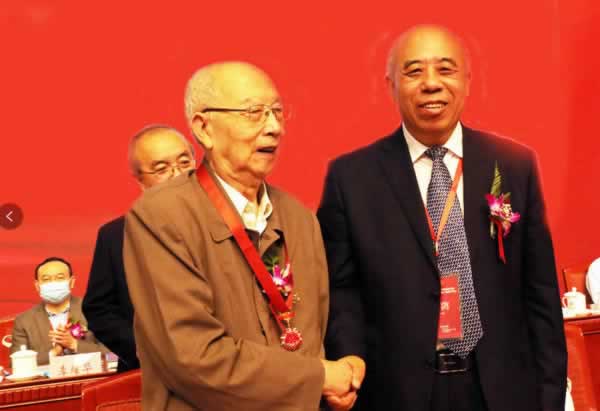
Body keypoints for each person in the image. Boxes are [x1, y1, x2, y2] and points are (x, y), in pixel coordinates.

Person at [317, 25, 566, 411]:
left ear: (467, 81)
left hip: (502, 390)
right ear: (391, 85)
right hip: (398, 393)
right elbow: (341, 292)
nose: (431, 84)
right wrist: (349, 372)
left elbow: (541, 294)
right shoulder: (350, 178)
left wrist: (549, 397)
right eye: (414, 71)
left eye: (445, 69)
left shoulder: (515, 165)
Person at [123, 61, 364, 411]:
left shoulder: (299, 219)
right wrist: (317, 378)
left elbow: (312, 337)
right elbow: (194, 356)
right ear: (204, 128)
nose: (274, 127)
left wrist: (340, 375)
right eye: (254, 113)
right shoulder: (161, 217)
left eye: (277, 112)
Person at [82, 125, 196, 372]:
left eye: (184, 163)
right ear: (140, 180)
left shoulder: (230, 222)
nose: (177, 174)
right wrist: (147, 352)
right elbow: (99, 310)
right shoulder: (116, 236)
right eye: (162, 169)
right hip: (151, 373)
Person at [11, 257, 107, 364]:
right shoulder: (24, 321)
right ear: (37, 286)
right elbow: (16, 364)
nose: (53, 283)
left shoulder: (95, 310)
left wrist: (74, 344)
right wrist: (53, 353)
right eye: (46, 279)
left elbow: (113, 351)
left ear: (71, 282)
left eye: (60, 278)